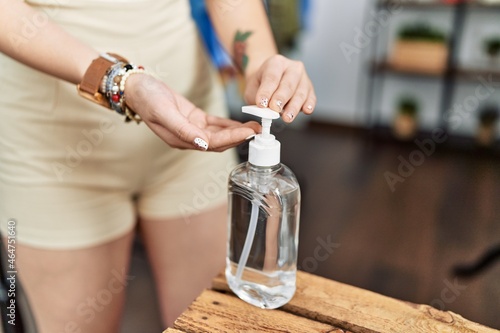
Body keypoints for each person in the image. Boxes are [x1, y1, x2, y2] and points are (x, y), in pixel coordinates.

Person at [0, 0, 316, 331]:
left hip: (194, 131)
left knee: (219, 322)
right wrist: (121, 82)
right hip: (51, 151)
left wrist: (261, 67)